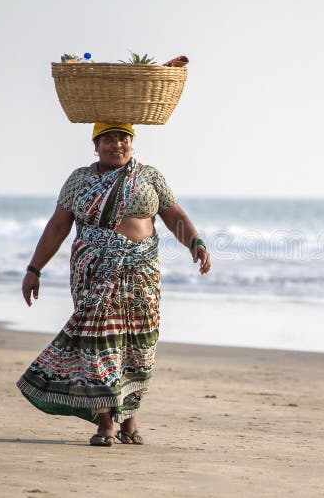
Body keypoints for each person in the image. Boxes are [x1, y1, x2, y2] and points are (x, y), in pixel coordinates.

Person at [17, 122, 210, 447]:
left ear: (132, 143)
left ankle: (129, 416)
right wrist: (34, 268)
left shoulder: (150, 177)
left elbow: (174, 214)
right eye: (107, 139)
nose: (116, 144)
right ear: (95, 145)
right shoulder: (79, 180)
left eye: (123, 138)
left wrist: (195, 242)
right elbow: (57, 227)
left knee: (137, 346)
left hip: (142, 273)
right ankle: (106, 422)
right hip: (94, 272)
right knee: (99, 344)